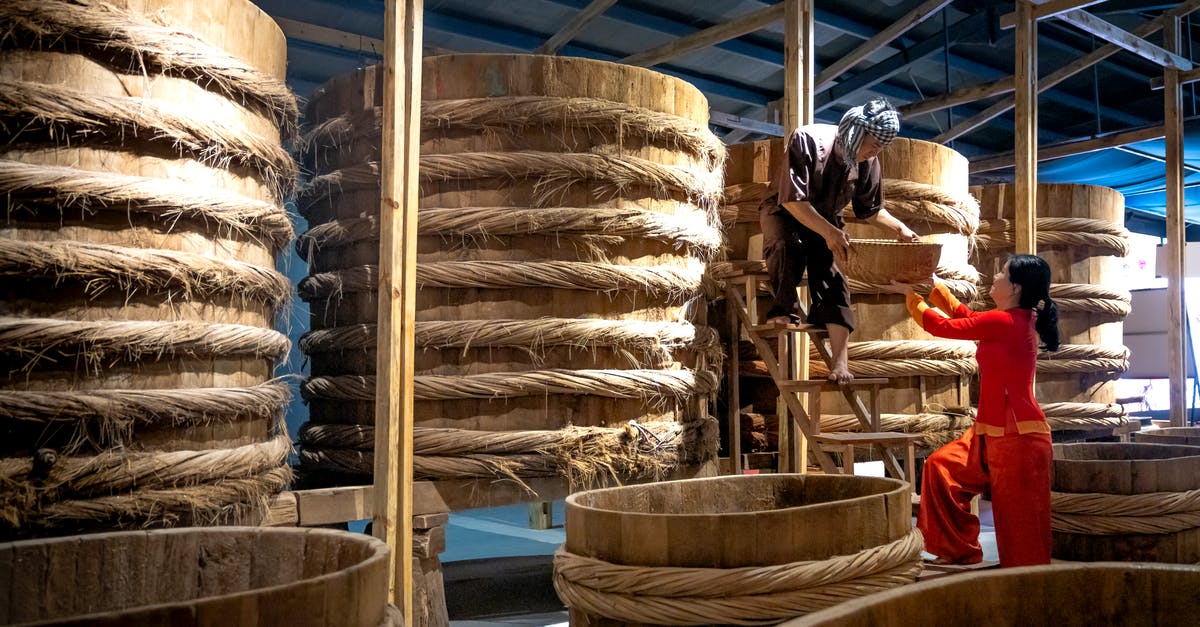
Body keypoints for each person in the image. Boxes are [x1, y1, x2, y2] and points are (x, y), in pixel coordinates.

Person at [903, 254, 1060, 567]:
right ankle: (959, 549)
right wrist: (935, 289)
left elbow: (943, 326)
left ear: (1015, 287)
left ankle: (1027, 584)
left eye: (1002, 273)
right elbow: (969, 319)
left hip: (1018, 436)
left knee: (1020, 520)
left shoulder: (1007, 321)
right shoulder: (1010, 319)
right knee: (940, 467)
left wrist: (908, 297)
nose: (996, 276)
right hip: (993, 429)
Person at [762, 97, 919, 384]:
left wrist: (900, 229)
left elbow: (870, 210)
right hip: (785, 211)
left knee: (835, 277)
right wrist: (830, 233)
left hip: (828, 218)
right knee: (788, 247)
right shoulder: (808, 139)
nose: (875, 152)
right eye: (873, 144)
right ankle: (785, 309)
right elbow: (794, 200)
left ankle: (840, 364)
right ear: (856, 133)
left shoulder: (868, 160)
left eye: (881, 148)